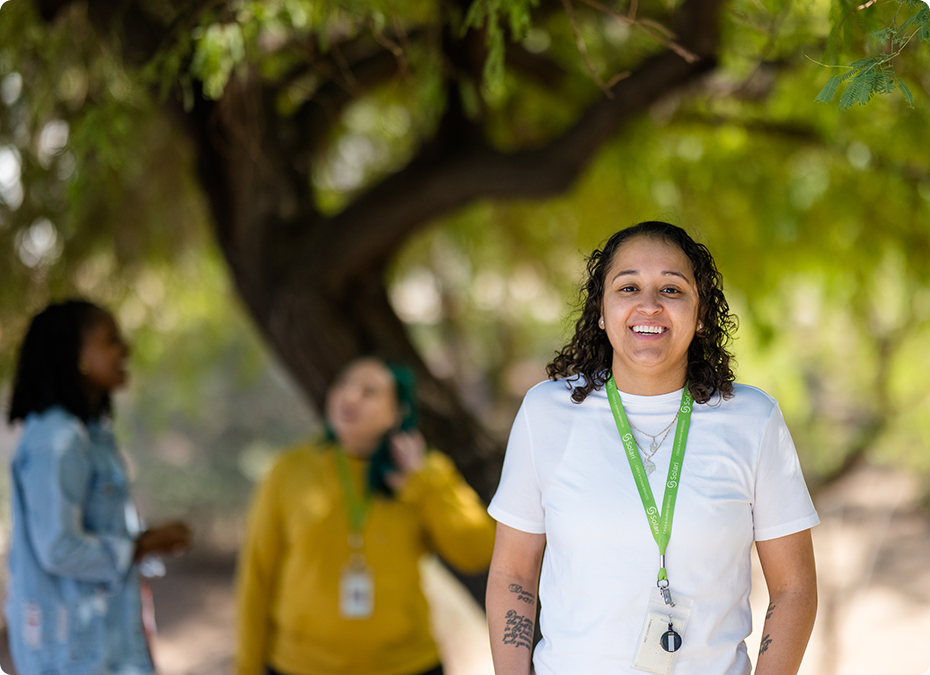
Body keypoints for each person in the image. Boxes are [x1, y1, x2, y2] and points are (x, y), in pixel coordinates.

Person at [487, 222, 819, 675]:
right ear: (601, 311)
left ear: (700, 314)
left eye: (671, 289)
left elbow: (793, 588)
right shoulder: (545, 413)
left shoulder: (753, 420)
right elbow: (513, 575)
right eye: (628, 287)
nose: (649, 305)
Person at [235, 356, 496, 675]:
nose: (350, 396)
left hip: (407, 665)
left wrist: (422, 484)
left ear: (397, 413)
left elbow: (478, 551)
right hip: (300, 666)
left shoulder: (426, 474)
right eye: (343, 384)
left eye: (369, 391)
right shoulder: (289, 471)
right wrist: (246, 667)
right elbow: (256, 576)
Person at [4, 299, 192, 675]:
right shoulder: (56, 440)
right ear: (76, 357)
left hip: (107, 640)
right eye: (111, 341)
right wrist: (143, 545)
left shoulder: (91, 435)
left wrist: (143, 542)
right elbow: (58, 547)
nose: (125, 350)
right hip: (71, 651)